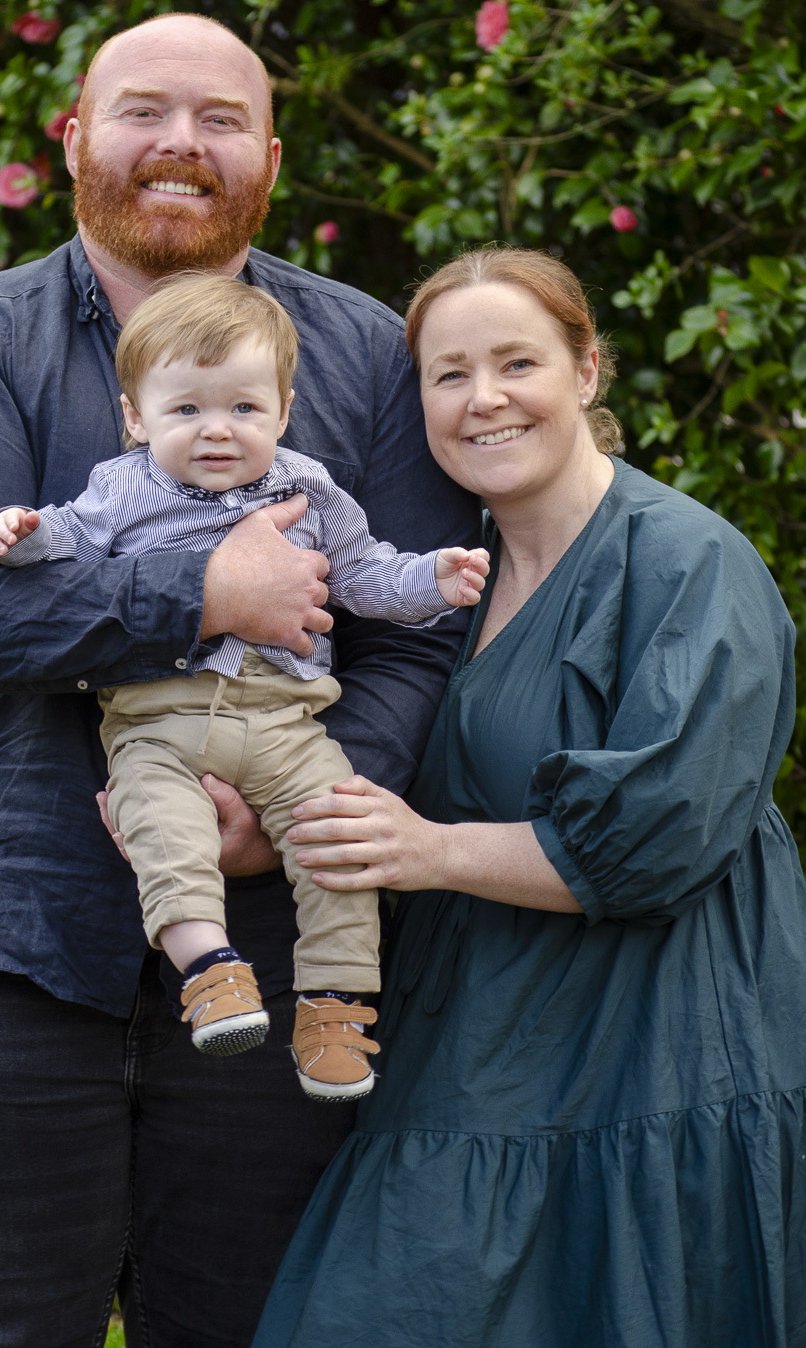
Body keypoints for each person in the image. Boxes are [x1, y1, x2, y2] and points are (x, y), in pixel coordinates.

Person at [0, 13, 478, 1348]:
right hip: (9, 951)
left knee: (255, 1327)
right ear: (74, 135)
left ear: (268, 155)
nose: (179, 145)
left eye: (219, 118)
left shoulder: (364, 356)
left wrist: (313, 801)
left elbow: (416, 629)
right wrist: (200, 592)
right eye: (142, 110)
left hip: (276, 952)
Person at [253, 246, 806, 1348]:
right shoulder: (439, 582)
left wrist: (426, 853)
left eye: (517, 362)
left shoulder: (687, 562)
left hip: (660, 1039)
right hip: (476, 1025)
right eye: (448, 374)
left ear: (587, 369)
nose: (483, 399)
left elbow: (658, 838)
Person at [0, 271, 488, 1097]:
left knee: (339, 840)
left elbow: (365, 576)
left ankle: (334, 1004)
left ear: (283, 411)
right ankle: (210, 970)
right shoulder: (121, 488)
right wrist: (17, 531)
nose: (217, 431)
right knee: (158, 823)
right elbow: (62, 542)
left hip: (289, 721)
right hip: (158, 721)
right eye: (186, 411)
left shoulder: (311, 487)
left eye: (244, 409)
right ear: (137, 417)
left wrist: (437, 578)